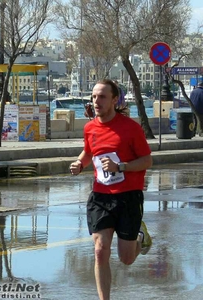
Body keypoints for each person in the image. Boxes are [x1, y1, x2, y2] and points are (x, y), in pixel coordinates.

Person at [69, 79, 153, 300]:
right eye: (94, 97)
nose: (96, 101)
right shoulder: (90, 128)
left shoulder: (130, 128)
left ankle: (139, 238)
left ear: (115, 100)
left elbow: (146, 161)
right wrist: (79, 163)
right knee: (100, 249)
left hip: (128, 197)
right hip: (100, 196)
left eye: (102, 97)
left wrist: (121, 167)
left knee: (126, 258)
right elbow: (88, 153)